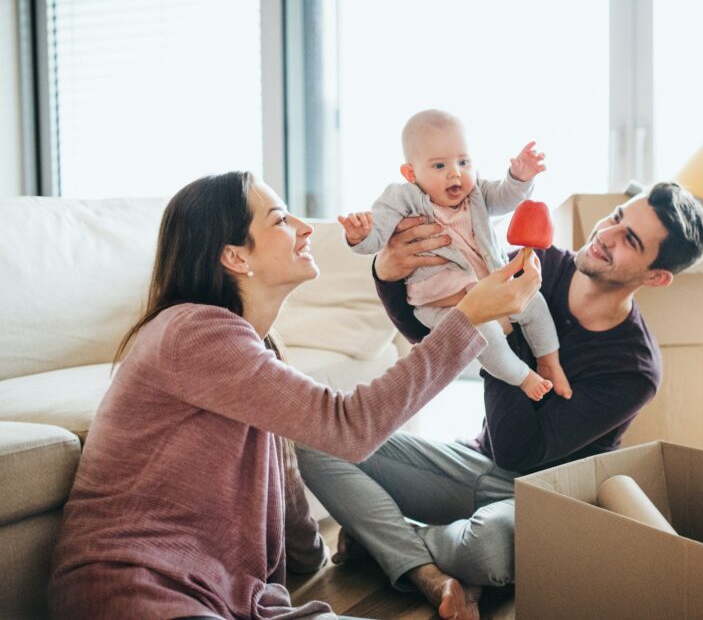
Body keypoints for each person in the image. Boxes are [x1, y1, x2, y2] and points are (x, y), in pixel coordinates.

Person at [48, 171, 541, 620]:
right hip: (137, 586)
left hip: (231, 594)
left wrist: (315, 556)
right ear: (235, 256)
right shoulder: (192, 332)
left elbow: (283, 467)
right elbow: (348, 427)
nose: (306, 229)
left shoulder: (248, 343)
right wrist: (466, 318)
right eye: (282, 219)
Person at [298, 182, 703, 620]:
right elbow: (429, 336)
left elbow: (520, 452)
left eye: (630, 239)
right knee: (318, 439)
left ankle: (382, 538)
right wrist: (386, 274)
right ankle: (423, 570)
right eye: (616, 216)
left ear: (656, 277)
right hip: (472, 464)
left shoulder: (633, 370)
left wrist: (500, 327)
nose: (606, 234)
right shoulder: (537, 264)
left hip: (541, 495)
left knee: (485, 548)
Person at [340, 109, 570, 401]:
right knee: (484, 334)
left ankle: (549, 361)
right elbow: (377, 237)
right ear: (411, 173)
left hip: (489, 290)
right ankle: (523, 377)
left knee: (534, 303)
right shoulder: (402, 198)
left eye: (463, 162)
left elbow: (505, 197)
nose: (455, 173)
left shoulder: (476, 193)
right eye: (439, 165)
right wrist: (360, 235)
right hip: (441, 302)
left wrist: (519, 178)